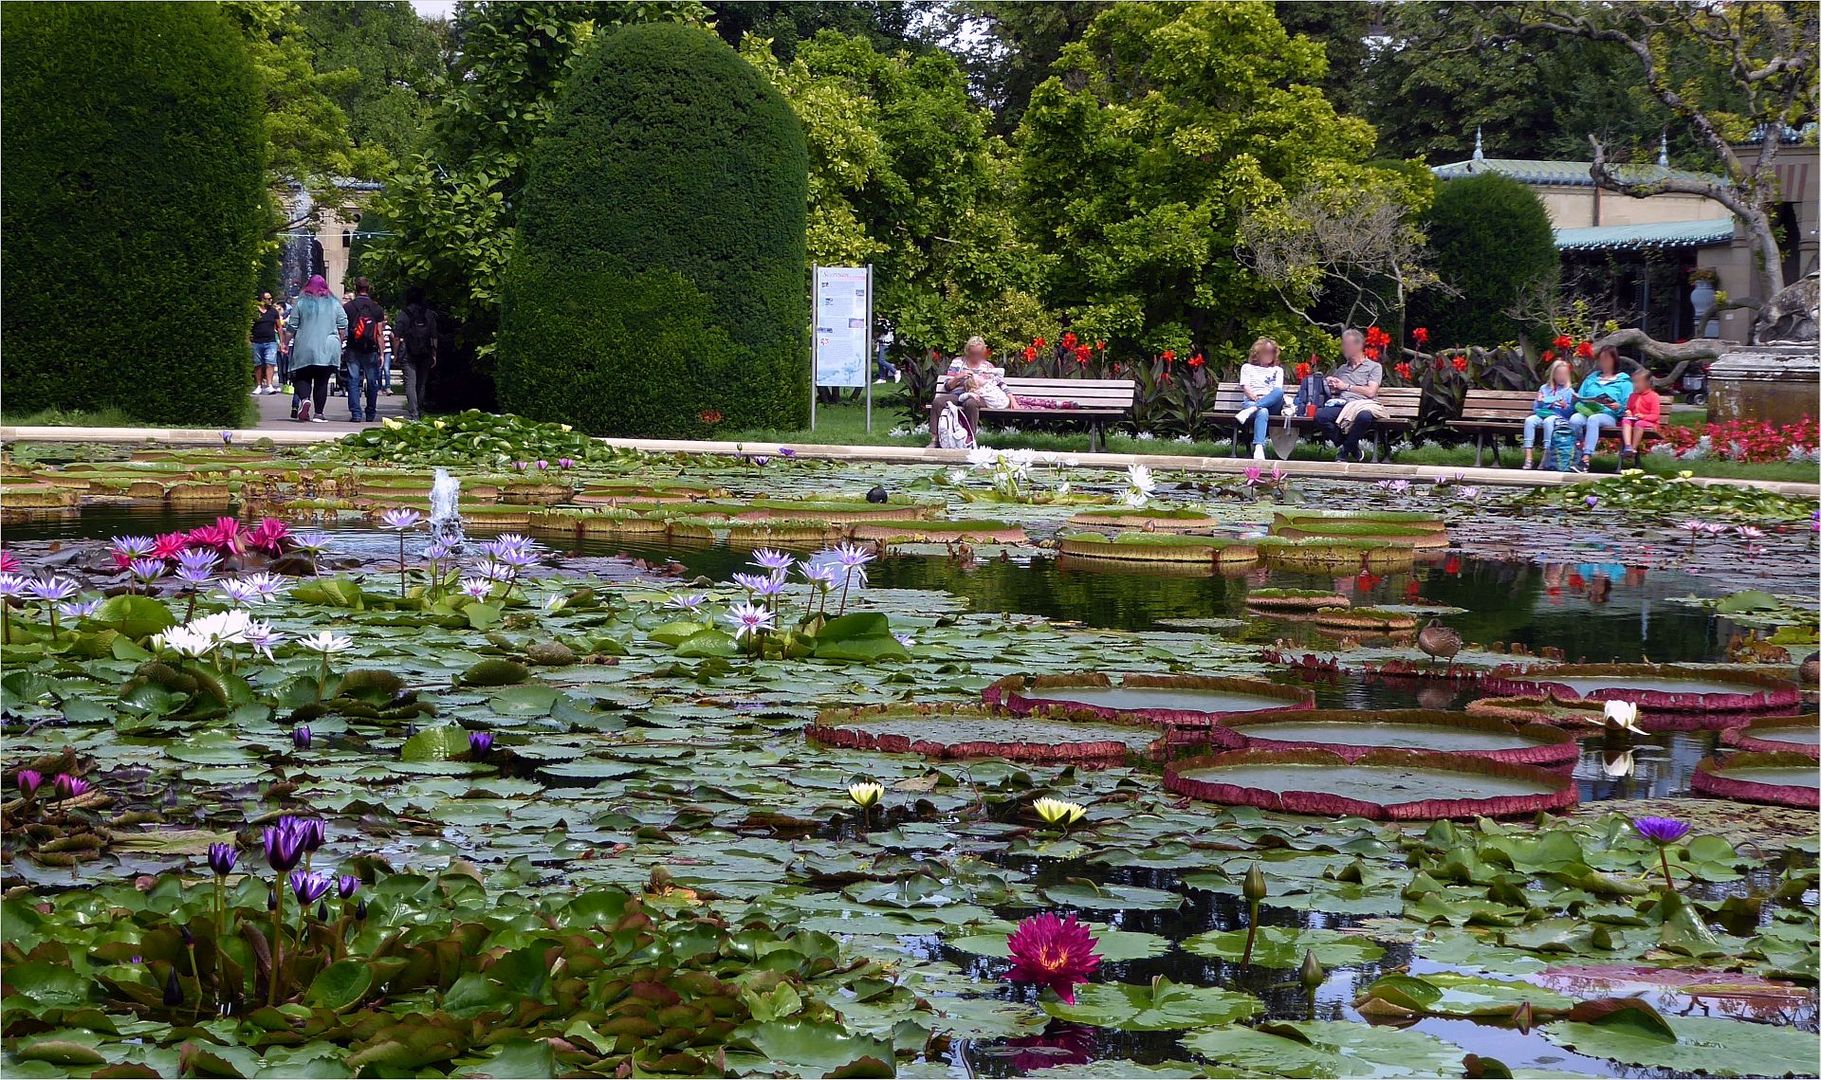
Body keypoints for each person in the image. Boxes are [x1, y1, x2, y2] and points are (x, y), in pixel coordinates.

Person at [1314, 329, 1383, 462]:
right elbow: (1336, 386)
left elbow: (1371, 392)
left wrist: (1346, 386)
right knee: (1321, 416)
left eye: (1346, 344)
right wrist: (1330, 381)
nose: (1343, 348)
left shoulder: (1374, 367)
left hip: (1363, 405)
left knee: (1364, 416)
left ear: (1358, 346)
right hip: (1343, 405)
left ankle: (1345, 451)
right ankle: (1351, 447)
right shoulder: (1342, 369)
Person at [286, 275, 346, 423]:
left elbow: (292, 326)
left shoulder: (300, 303)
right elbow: (343, 324)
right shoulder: (335, 303)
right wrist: (340, 339)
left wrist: (284, 343)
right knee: (322, 381)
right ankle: (319, 414)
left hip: (305, 346)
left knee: (301, 376)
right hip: (328, 346)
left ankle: (305, 399)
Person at [929, 336, 1007, 449]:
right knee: (938, 402)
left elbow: (1000, 384)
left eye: (978, 353)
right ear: (967, 351)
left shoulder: (988, 366)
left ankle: (970, 440)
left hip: (978, 396)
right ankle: (934, 439)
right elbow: (947, 386)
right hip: (957, 394)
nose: (976, 356)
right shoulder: (958, 363)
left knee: (970, 403)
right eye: (973, 353)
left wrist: (1011, 398)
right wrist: (958, 377)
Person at [1568, 345, 1633, 472]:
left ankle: (1585, 460)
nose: (1603, 363)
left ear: (1614, 360)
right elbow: (1581, 396)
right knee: (1575, 420)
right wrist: (1577, 400)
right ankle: (1574, 455)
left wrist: (1618, 407)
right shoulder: (1591, 378)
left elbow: (1628, 405)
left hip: (1608, 415)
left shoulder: (1624, 382)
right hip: (1587, 410)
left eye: (1607, 359)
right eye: (1601, 359)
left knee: (1594, 419)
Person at [342, 277, 388, 423]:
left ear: (356, 288)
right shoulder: (376, 308)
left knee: (353, 381)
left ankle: (356, 413)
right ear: (369, 289)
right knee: (372, 381)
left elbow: (343, 329)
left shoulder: (348, 307)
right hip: (371, 349)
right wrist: (382, 352)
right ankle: (370, 413)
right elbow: (380, 333)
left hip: (353, 348)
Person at [1234, 337, 1288, 460]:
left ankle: (1252, 409)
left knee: (1279, 392)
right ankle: (1258, 447)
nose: (1269, 355)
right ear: (1257, 353)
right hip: (1252, 400)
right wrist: (1254, 398)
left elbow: (1277, 390)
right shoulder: (1247, 367)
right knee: (1262, 411)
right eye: (1266, 352)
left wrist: (1260, 402)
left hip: (1272, 403)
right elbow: (1246, 387)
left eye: (1272, 352)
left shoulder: (1277, 370)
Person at [394, 286, 438, 422]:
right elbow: (434, 336)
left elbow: (396, 336)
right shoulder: (429, 314)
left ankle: (414, 414)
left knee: (410, 383)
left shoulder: (404, 314)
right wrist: (434, 353)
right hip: (425, 351)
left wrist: (395, 354)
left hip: (408, 351)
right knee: (421, 384)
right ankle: (419, 409)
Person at [1523, 359, 1576, 470]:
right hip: (1542, 415)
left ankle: (1545, 457)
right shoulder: (1544, 388)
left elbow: (1570, 414)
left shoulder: (1569, 391)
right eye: (1559, 374)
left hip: (1558, 418)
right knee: (1530, 420)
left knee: (1549, 421)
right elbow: (1536, 408)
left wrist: (1564, 406)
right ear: (1553, 375)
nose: (1562, 377)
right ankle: (1528, 458)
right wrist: (1541, 402)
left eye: (1564, 374)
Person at [1619, 369, 1662, 467]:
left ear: (1647, 383)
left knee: (1639, 424)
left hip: (1649, 424)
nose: (1635, 385)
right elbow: (1629, 408)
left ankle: (1633, 450)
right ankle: (1628, 446)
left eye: (1638, 382)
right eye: (1633, 382)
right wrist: (1628, 412)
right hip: (1634, 421)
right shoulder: (1632, 396)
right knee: (1625, 420)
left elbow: (1655, 416)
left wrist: (1644, 417)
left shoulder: (1653, 396)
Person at [250, 292, 283, 395]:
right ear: (262, 300)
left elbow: (279, 327)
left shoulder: (273, 312)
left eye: (271, 299)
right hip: (257, 341)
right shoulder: (255, 312)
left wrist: (281, 342)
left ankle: (269, 385)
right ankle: (259, 385)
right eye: (268, 299)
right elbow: (250, 326)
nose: (270, 301)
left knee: (270, 362)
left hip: (270, 341)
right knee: (258, 364)